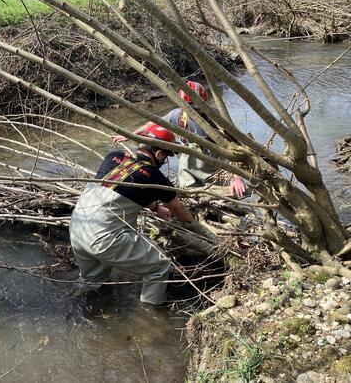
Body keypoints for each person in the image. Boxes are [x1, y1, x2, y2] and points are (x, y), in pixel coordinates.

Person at [70, 124, 195, 305]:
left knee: (92, 282)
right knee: (160, 266)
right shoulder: (155, 177)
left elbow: (120, 187)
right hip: (104, 238)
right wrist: (192, 224)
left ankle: (76, 304)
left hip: (78, 228)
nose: (164, 160)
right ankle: (149, 314)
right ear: (159, 154)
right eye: (166, 157)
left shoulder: (114, 157)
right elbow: (179, 209)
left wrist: (155, 207)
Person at [113, 81, 246, 198]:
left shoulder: (216, 119)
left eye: (194, 105)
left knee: (227, 197)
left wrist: (235, 177)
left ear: (204, 101)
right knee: (191, 196)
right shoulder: (177, 115)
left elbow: (233, 148)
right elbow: (152, 124)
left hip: (215, 169)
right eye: (188, 105)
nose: (191, 109)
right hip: (187, 170)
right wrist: (130, 135)